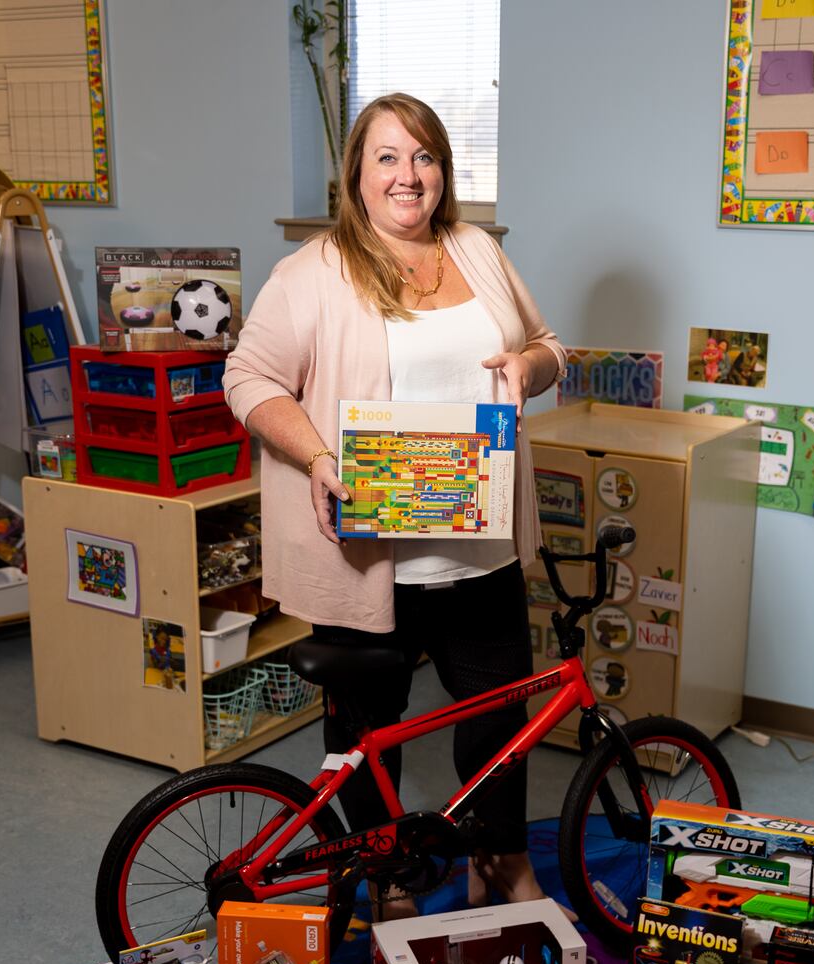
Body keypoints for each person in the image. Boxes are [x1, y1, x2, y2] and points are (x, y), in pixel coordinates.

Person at [223, 93, 566, 917]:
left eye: (423, 158)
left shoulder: (477, 250)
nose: (408, 176)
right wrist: (313, 452)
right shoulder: (310, 272)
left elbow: (551, 345)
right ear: (357, 173)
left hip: (478, 553)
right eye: (387, 157)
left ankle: (499, 857)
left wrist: (529, 367)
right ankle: (383, 875)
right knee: (366, 737)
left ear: (443, 171)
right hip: (366, 559)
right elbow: (247, 377)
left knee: (497, 728)